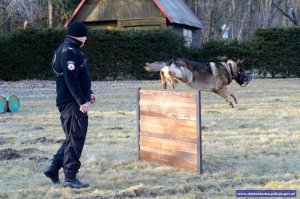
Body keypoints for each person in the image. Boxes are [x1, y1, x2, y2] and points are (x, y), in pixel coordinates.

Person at [43, 20, 96, 189]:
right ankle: (70, 178)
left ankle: (53, 168)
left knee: (72, 136)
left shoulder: (70, 49)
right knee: (76, 138)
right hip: (71, 102)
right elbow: (71, 79)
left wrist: (89, 93)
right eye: (85, 35)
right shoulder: (69, 52)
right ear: (79, 35)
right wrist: (81, 101)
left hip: (71, 101)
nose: (86, 39)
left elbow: (79, 77)